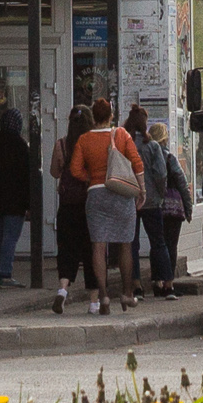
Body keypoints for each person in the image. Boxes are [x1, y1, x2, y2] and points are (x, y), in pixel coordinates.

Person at [69, 98, 146, 314]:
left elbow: (75, 170)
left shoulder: (84, 140)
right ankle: (126, 293)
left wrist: (92, 178)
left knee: (98, 246)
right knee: (125, 243)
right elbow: (137, 163)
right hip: (121, 193)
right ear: (111, 115)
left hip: (96, 195)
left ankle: (103, 296)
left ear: (93, 117)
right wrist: (142, 190)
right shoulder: (121, 135)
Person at [50, 105, 98, 314]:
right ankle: (94, 302)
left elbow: (54, 172)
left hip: (67, 205)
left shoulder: (61, 144)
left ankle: (62, 290)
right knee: (91, 252)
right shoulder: (93, 144)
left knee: (67, 249)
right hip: (90, 203)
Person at [124, 105, 170, 300]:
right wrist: (161, 195)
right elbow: (161, 174)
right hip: (151, 200)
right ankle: (166, 284)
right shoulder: (152, 146)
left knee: (131, 244)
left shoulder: (123, 144)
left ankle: (136, 285)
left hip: (129, 199)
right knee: (158, 242)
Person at [0, 109, 30, 288]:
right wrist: (29, 203)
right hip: (15, 200)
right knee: (10, 237)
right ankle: (5, 274)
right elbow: (26, 177)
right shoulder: (20, 146)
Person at [149, 123, 191, 300]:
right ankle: (169, 283)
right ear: (165, 138)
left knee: (157, 245)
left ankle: (157, 282)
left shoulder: (146, 156)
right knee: (170, 245)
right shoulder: (169, 158)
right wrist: (188, 208)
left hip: (152, 206)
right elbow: (182, 183)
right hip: (173, 207)